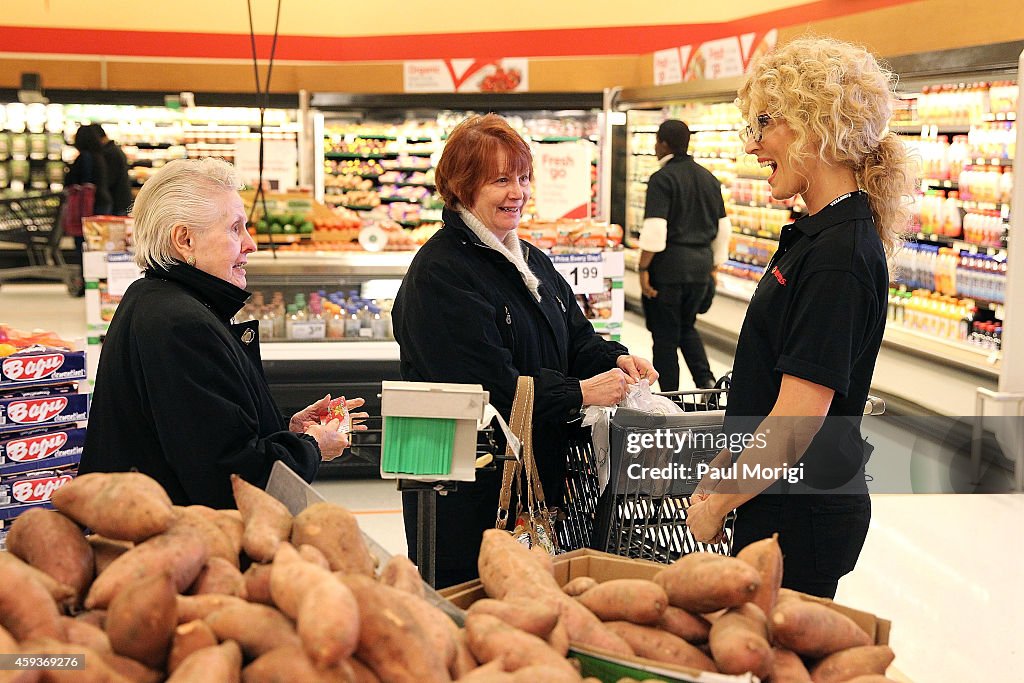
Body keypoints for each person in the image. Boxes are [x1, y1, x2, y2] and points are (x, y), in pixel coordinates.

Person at [685, 37, 916, 599]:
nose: (754, 145)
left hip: (802, 514)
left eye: (764, 123)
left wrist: (718, 501)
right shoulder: (819, 235)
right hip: (781, 499)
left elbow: (798, 418)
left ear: (817, 125)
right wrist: (727, 467)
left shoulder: (838, 257)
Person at [392, 113, 657, 588]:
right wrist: (579, 394)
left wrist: (613, 358)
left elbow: (575, 335)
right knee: (469, 609)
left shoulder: (528, 258)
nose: (517, 192)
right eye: (500, 180)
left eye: (523, 177)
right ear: (460, 186)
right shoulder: (441, 273)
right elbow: (484, 387)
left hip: (527, 484)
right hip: (463, 489)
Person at [80, 157, 366, 509]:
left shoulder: (158, 298)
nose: (250, 244)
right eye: (235, 229)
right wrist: (312, 447)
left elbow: (203, 436)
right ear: (185, 240)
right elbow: (231, 476)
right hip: (177, 543)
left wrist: (287, 431)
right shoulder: (182, 325)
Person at [638, 119, 726, 392]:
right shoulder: (709, 178)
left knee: (664, 337)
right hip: (700, 268)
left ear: (663, 144)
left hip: (668, 270)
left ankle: (671, 398)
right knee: (686, 327)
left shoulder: (662, 179)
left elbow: (655, 229)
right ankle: (707, 383)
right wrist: (714, 267)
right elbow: (724, 228)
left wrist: (642, 270)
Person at [64, 123, 112, 216]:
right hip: (102, 200)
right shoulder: (99, 156)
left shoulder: (85, 157)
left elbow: (83, 180)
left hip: (89, 204)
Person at [88, 123, 133, 216]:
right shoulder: (115, 150)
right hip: (121, 200)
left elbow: (109, 179)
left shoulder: (110, 153)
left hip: (117, 202)